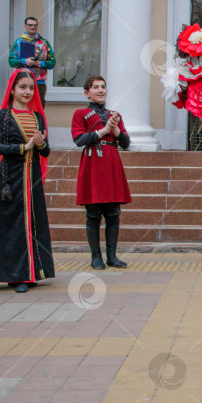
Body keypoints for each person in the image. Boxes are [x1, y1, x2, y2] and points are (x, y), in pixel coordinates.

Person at [0, 69, 54, 292]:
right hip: (7, 180)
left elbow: (46, 151)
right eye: (23, 87)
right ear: (12, 89)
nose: (28, 91)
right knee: (10, 227)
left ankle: (29, 274)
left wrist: (40, 144)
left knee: (31, 224)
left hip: (31, 178)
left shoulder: (38, 117)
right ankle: (13, 274)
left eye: (31, 88)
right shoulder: (2, 117)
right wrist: (25, 146)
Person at [71, 76, 132, 270]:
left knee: (113, 213)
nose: (100, 90)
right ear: (87, 92)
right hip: (92, 164)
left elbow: (125, 143)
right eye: (95, 87)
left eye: (103, 87)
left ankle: (112, 256)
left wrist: (115, 132)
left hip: (112, 161)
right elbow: (79, 139)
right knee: (94, 213)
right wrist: (103, 130)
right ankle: (96, 257)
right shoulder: (80, 113)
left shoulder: (115, 115)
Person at [8, 17, 55, 107]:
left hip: (39, 82)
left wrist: (39, 63)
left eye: (35, 25)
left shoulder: (44, 43)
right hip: (22, 81)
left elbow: (52, 63)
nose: (32, 27)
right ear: (25, 26)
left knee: (38, 109)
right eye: (30, 25)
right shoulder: (19, 42)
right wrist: (24, 61)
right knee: (21, 107)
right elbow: (11, 61)